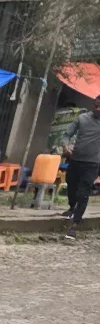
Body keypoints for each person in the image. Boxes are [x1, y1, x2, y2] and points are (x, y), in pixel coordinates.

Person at [61, 102, 100, 241]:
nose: (98, 109)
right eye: (96, 105)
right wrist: (66, 146)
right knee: (71, 186)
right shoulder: (82, 118)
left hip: (92, 164)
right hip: (75, 159)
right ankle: (72, 207)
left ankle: (73, 227)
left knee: (83, 194)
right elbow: (67, 134)